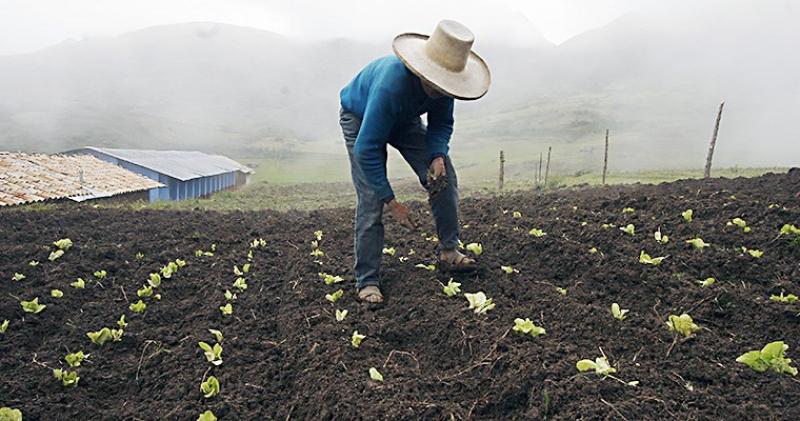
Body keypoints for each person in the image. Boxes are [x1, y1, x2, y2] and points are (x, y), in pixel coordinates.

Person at [338, 20, 491, 304]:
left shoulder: (446, 86)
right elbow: (366, 149)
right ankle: (368, 280)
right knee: (371, 199)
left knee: (444, 177)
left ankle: (449, 251)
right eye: (436, 83)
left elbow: (442, 124)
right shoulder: (391, 85)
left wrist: (436, 155)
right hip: (360, 118)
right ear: (423, 70)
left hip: (404, 118)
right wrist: (392, 202)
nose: (440, 90)